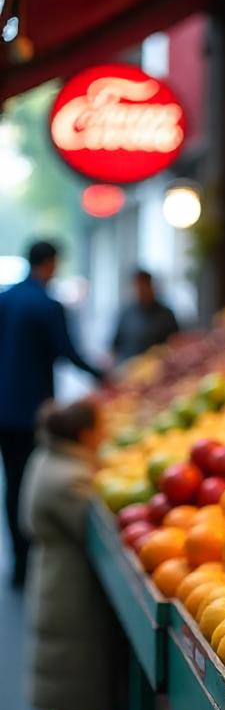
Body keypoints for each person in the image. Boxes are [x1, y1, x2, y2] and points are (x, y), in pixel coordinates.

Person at [21, 398, 125, 710]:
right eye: (101, 427)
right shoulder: (69, 478)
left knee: (73, 670)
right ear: (85, 433)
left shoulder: (51, 459)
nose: (106, 434)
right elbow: (93, 526)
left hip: (57, 576)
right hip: (68, 587)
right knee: (76, 670)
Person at [0, 240, 105, 588]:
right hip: (34, 410)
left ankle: (18, 562)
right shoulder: (47, 305)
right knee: (28, 479)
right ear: (50, 263)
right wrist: (102, 375)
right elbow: (67, 351)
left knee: (12, 482)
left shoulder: (7, 298)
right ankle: (29, 560)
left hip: (3, 407)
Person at [112, 268, 179, 362]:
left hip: (157, 367)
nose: (141, 290)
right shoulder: (126, 313)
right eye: (137, 286)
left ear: (151, 286)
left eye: (144, 286)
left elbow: (176, 343)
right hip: (128, 367)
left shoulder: (166, 314)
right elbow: (115, 345)